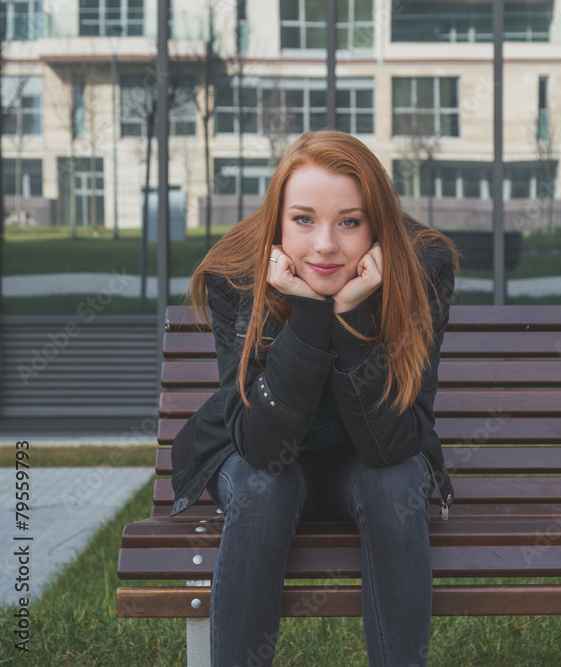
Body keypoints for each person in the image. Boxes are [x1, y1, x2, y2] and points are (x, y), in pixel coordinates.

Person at [169, 130, 458, 667]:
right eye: (304, 220)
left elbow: (392, 443)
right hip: (264, 456)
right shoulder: (237, 272)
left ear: (377, 226)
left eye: (349, 221)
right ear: (278, 220)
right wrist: (307, 313)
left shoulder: (422, 267)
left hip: (370, 458)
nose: (325, 244)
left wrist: (349, 315)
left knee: (395, 484)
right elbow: (260, 443)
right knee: (261, 487)